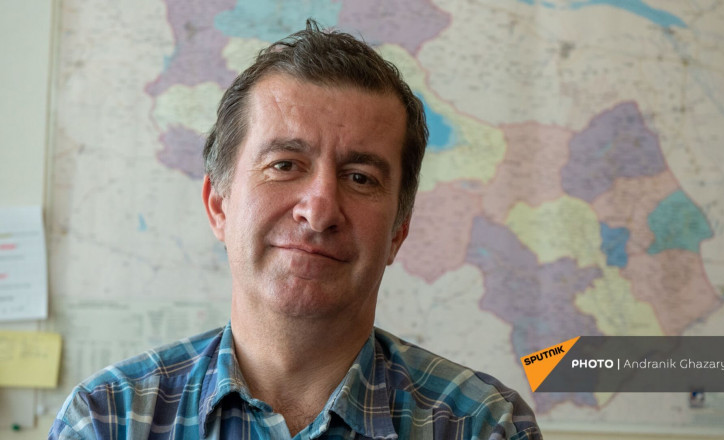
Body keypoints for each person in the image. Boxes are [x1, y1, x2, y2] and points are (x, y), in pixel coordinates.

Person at [49, 20, 542, 440]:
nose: (319, 210)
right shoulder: (107, 419)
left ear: (398, 231)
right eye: (284, 165)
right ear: (218, 206)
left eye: (360, 178)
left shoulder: (482, 425)